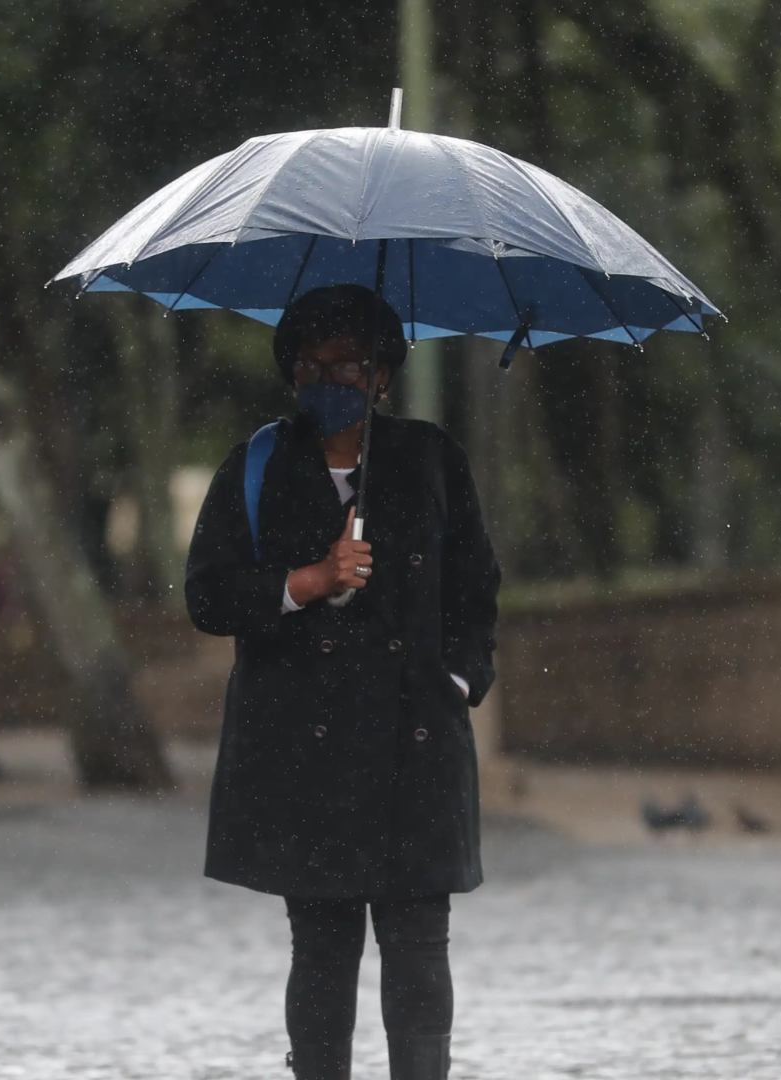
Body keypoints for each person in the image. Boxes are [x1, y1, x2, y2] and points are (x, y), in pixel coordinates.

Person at [183, 284, 501, 1080]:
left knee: (419, 948)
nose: (335, 379)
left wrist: (458, 680)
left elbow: (476, 590)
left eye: (353, 363)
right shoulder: (255, 464)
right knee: (322, 950)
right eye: (314, 364)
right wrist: (308, 581)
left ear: (384, 373)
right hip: (304, 751)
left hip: (414, 747)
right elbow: (209, 596)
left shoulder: (429, 460)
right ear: (291, 373)